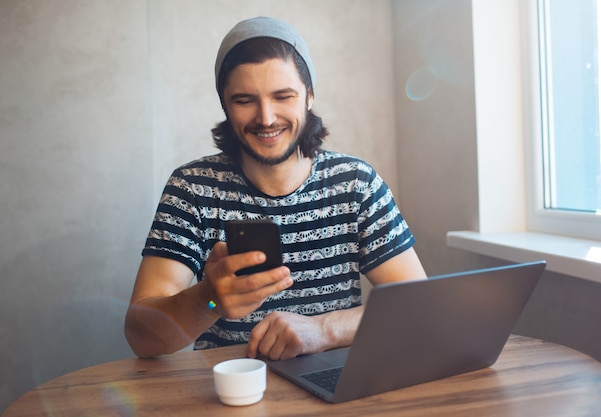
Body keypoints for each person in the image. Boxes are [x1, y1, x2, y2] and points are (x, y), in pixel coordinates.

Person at [124, 16, 427, 360]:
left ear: (309, 96)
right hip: (232, 396)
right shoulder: (192, 189)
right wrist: (208, 299)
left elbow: (417, 305)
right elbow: (140, 336)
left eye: (283, 96)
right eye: (244, 100)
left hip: (339, 392)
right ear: (224, 103)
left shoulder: (356, 183)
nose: (266, 117)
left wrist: (323, 330)